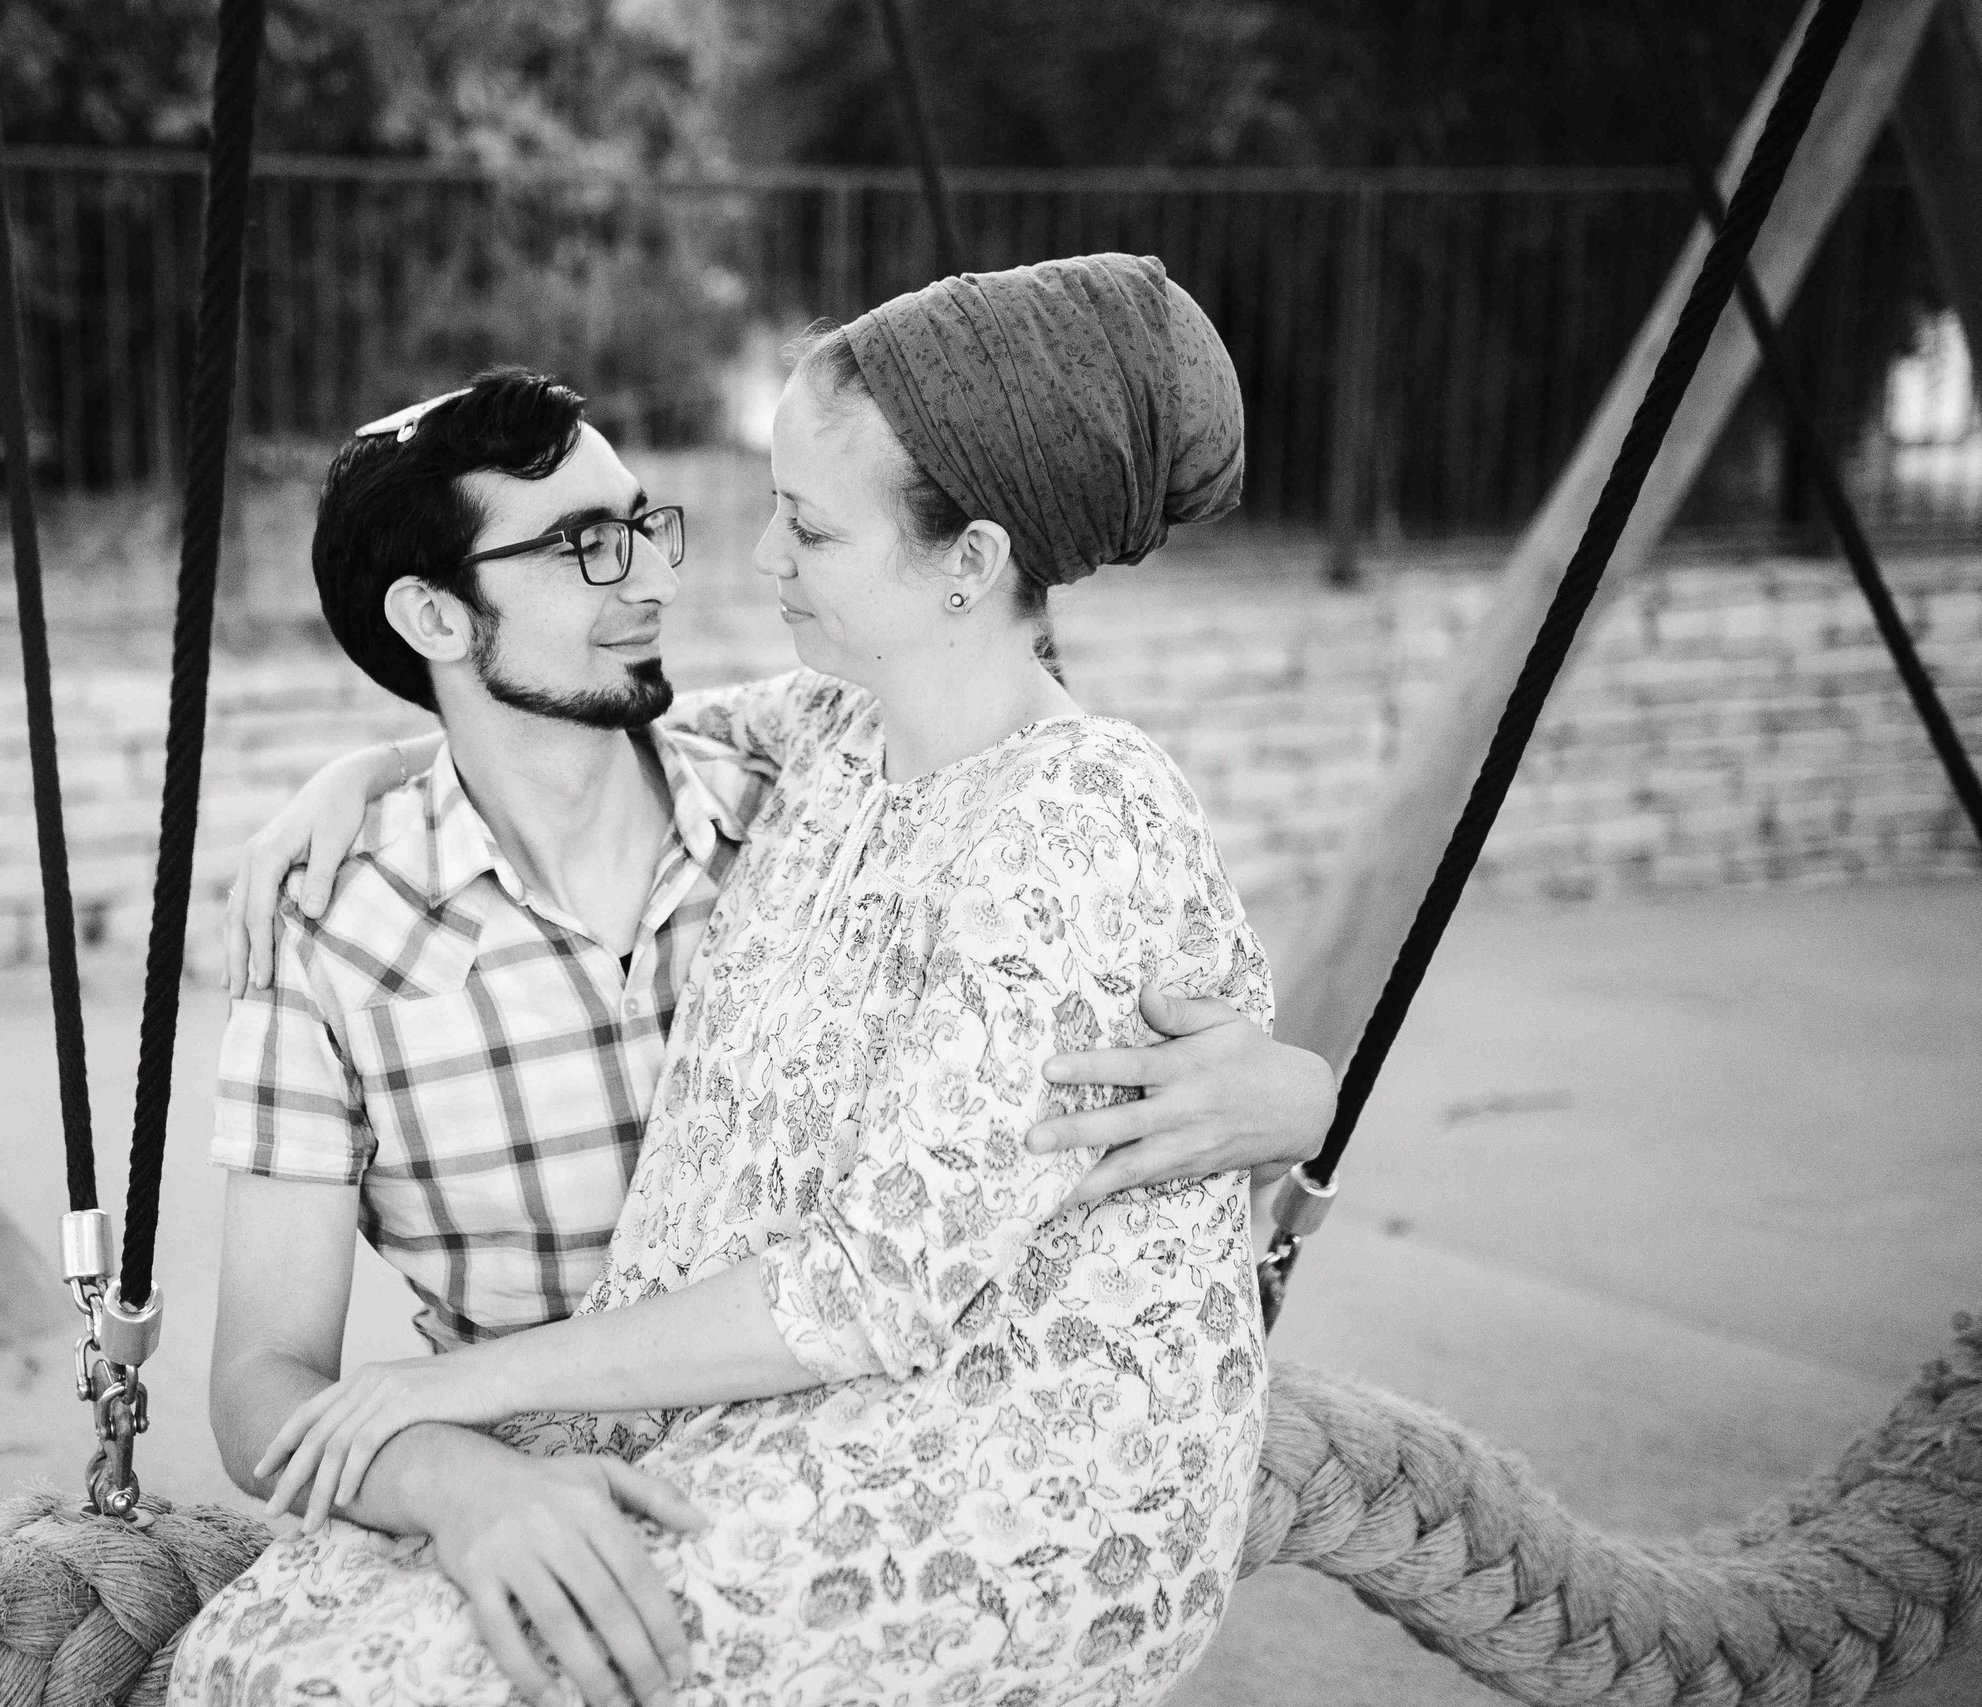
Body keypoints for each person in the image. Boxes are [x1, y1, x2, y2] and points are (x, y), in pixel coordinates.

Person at [176, 252, 1291, 1707]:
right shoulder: (826, 742)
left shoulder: (1019, 808)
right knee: (251, 1659)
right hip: (700, 1428)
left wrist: (1298, 1095)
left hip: (968, 1453)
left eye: (805, 528)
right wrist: (376, 759)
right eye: (589, 548)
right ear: (434, 621)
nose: (697, 572)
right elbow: (561, 730)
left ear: (969, 564)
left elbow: (883, 1278)